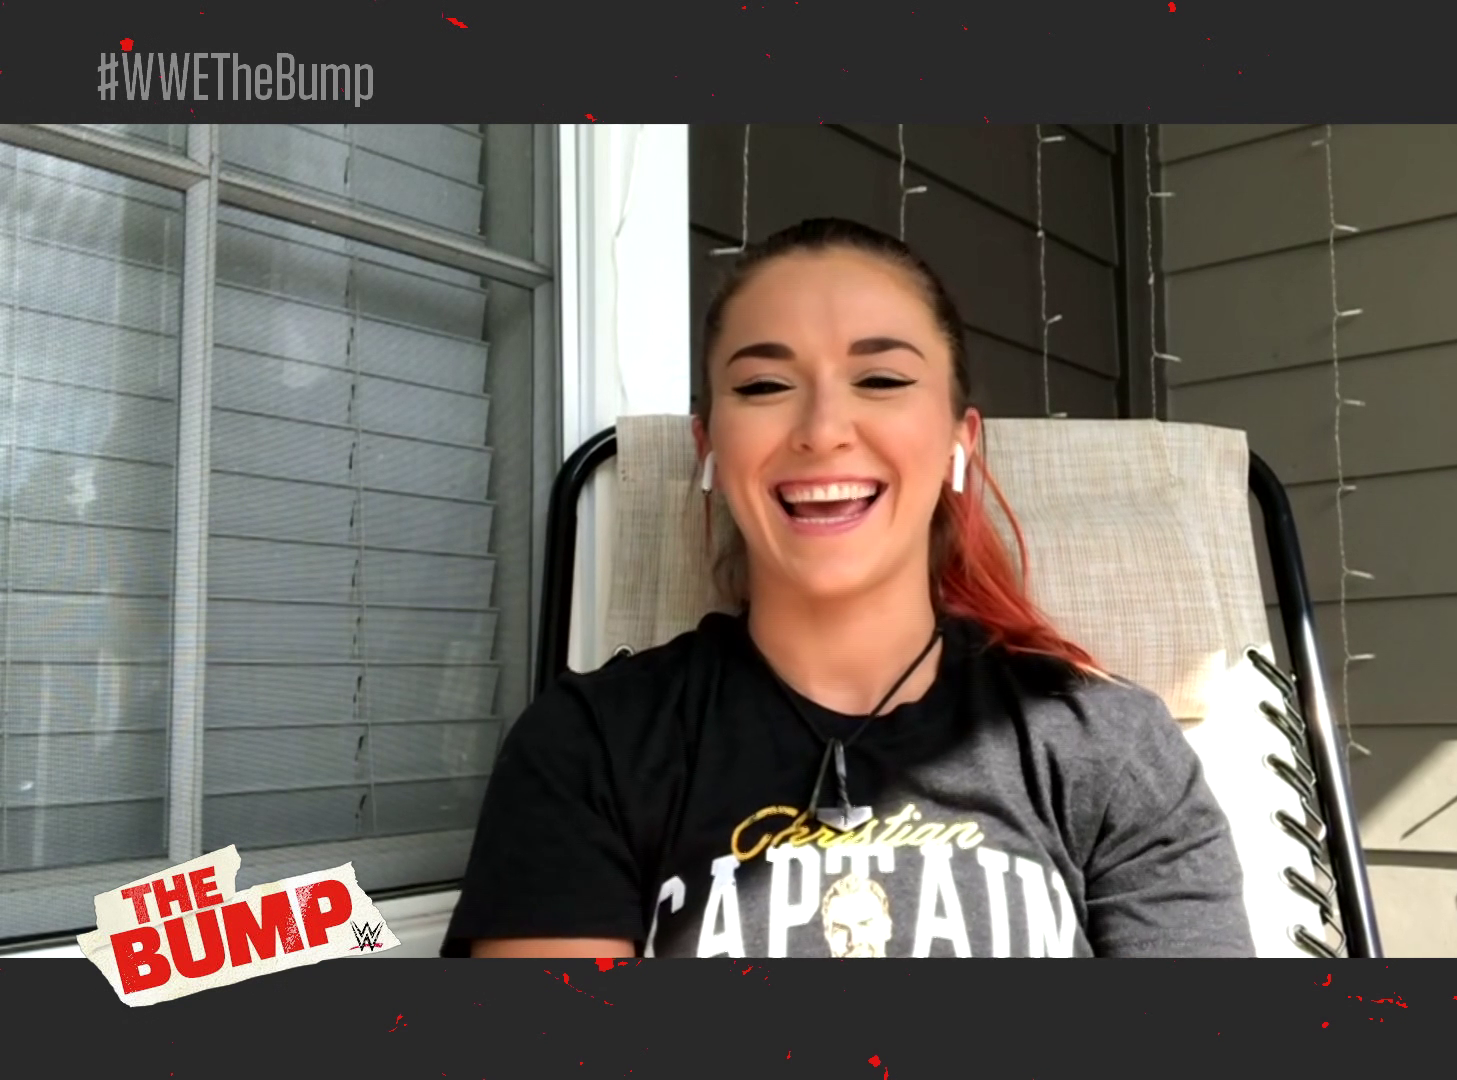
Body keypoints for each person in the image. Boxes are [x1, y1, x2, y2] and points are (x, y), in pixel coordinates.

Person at [441, 217, 1256, 958]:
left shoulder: (1108, 745)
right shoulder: (590, 746)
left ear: (960, 442)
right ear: (709, 448)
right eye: (764, 387)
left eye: (882, 380)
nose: (824, 430)